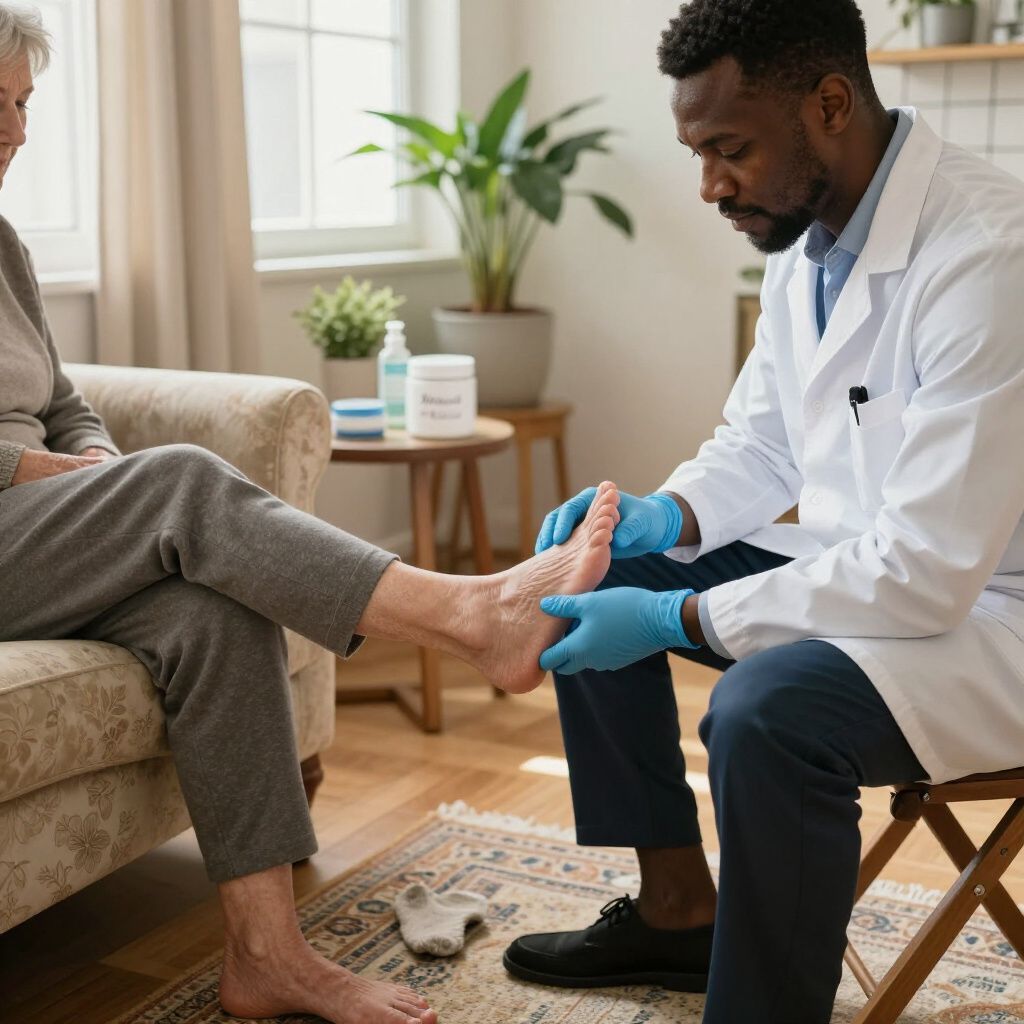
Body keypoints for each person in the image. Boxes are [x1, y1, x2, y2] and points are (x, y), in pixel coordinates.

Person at [0, 7, 623, 1023]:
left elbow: (63, 397)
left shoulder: (2, 245)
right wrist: (49, 474)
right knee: (187, 484)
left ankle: (267, 956)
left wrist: (95, 466)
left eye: (24, 104)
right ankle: (473, 614)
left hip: (40, 530)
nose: (17, 131)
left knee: (212, 611)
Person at [504, 1, 1024, 1021]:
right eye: (698, 152)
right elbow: (764, 440)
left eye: (728, 149)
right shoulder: (807, 239)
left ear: (829, 103)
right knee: (592, 576)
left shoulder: (990, 255)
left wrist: (679, 619)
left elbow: (927, 568)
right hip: (867, 565)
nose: (709, 185)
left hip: (988, 615)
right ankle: (675, 911)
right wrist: (663, 516)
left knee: (764, 712)